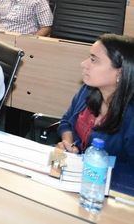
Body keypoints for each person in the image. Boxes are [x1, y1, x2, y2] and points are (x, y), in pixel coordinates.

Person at [57, 34, 133, 182]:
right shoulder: (88, 90)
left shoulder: (131, 115)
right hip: (76, 172)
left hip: (107, 186)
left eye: (93, 60)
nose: (83, 64)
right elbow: (66, 121)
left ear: (120, 72)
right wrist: (68, 144)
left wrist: (89, 165)